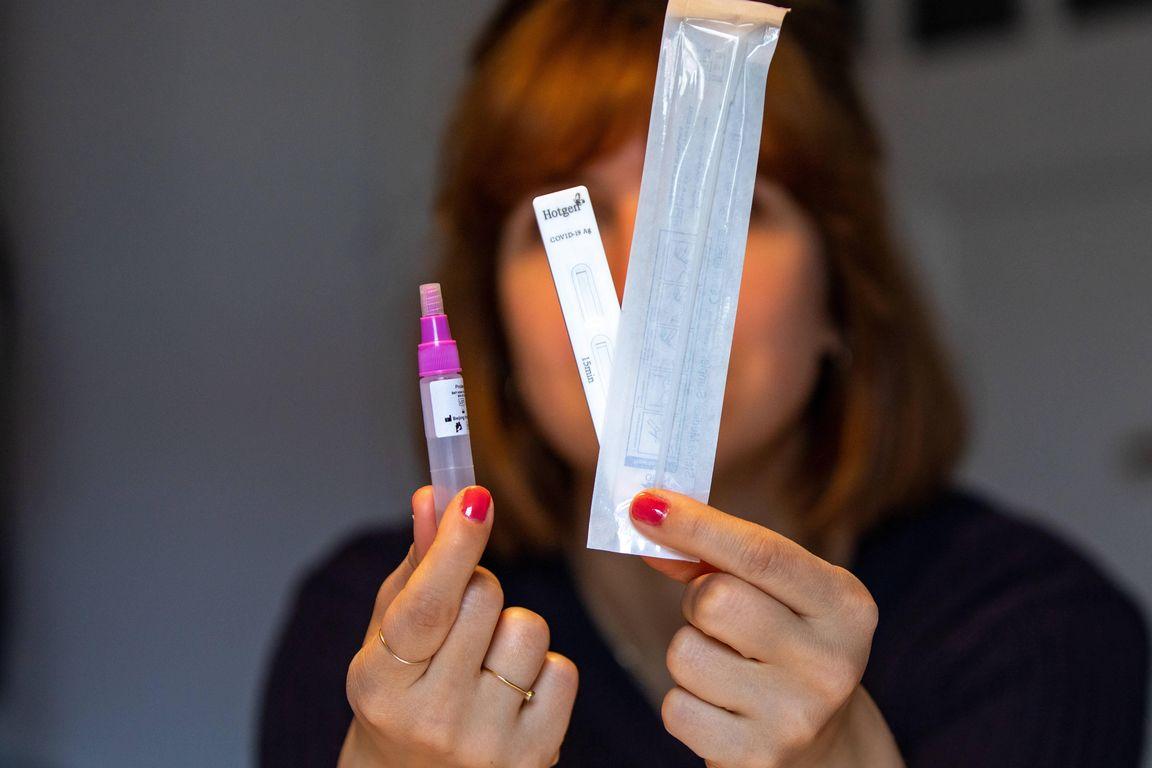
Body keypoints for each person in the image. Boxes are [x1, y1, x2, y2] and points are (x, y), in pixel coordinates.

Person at [259, 1, 1149, 765]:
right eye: (572, 218)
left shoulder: (1035, 628)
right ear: (493, 330)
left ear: (841, 298)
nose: (646, 278)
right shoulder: (368, 645)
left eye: (727, 207)